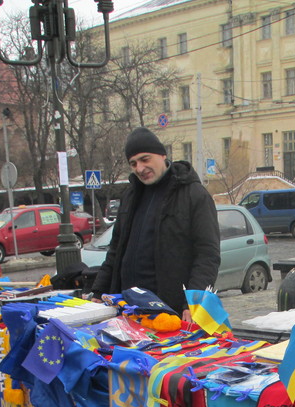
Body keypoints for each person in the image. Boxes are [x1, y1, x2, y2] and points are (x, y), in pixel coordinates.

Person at [89, 127, 220, 323]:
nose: (140, 168)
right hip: (129, 309)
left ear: (162, 155)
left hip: (171, 309)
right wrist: (99, 291)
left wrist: (194, 302)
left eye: (145, 159)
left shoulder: (194, 195)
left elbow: (207, 254)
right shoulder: (130, 196)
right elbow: (115, 251)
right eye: (133, 163)